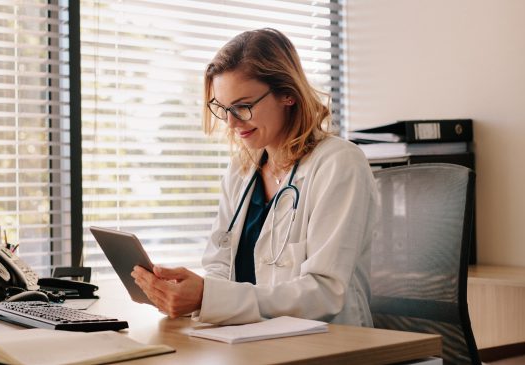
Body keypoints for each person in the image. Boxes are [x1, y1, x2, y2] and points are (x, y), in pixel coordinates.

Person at [132, 28, 378, 327]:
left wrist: (209, 298)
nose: (232, 122)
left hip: (327, 344)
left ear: (288, 94)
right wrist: (189, 294)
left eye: (243, 106)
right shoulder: (241, 169)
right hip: (249, 340)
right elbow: (219, 267)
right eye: (223, 108)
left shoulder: (338, 163)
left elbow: (324, 294)